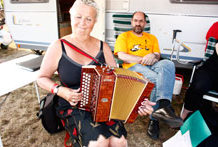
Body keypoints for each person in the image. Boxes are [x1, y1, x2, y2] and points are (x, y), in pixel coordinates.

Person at [36, 1, 155, 147]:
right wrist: (60, 90)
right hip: (72, 103)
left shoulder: (103, 47)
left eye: (89, 19)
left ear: (95, 22)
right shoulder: (58, 46)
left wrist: (137, 102)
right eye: (78, 17)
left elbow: (118, 81)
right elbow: (41, 78)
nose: (83, 23)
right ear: (71, 16)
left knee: (120, 141)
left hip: (102, 103)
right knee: (99, 142)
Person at [114, 11, 183, 140]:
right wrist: (142, 59)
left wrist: (153, 55)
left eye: (141, 21)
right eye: (135, 20)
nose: (138, 23)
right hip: (133, 67)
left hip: (152, 65)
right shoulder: (124, 36)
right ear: (131, 22)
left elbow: (157, 54)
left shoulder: (152, 38)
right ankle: (155, 118)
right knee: (158, 80)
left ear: (145, 23)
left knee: (168, 64)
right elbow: (122, 56)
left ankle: (163, 106)